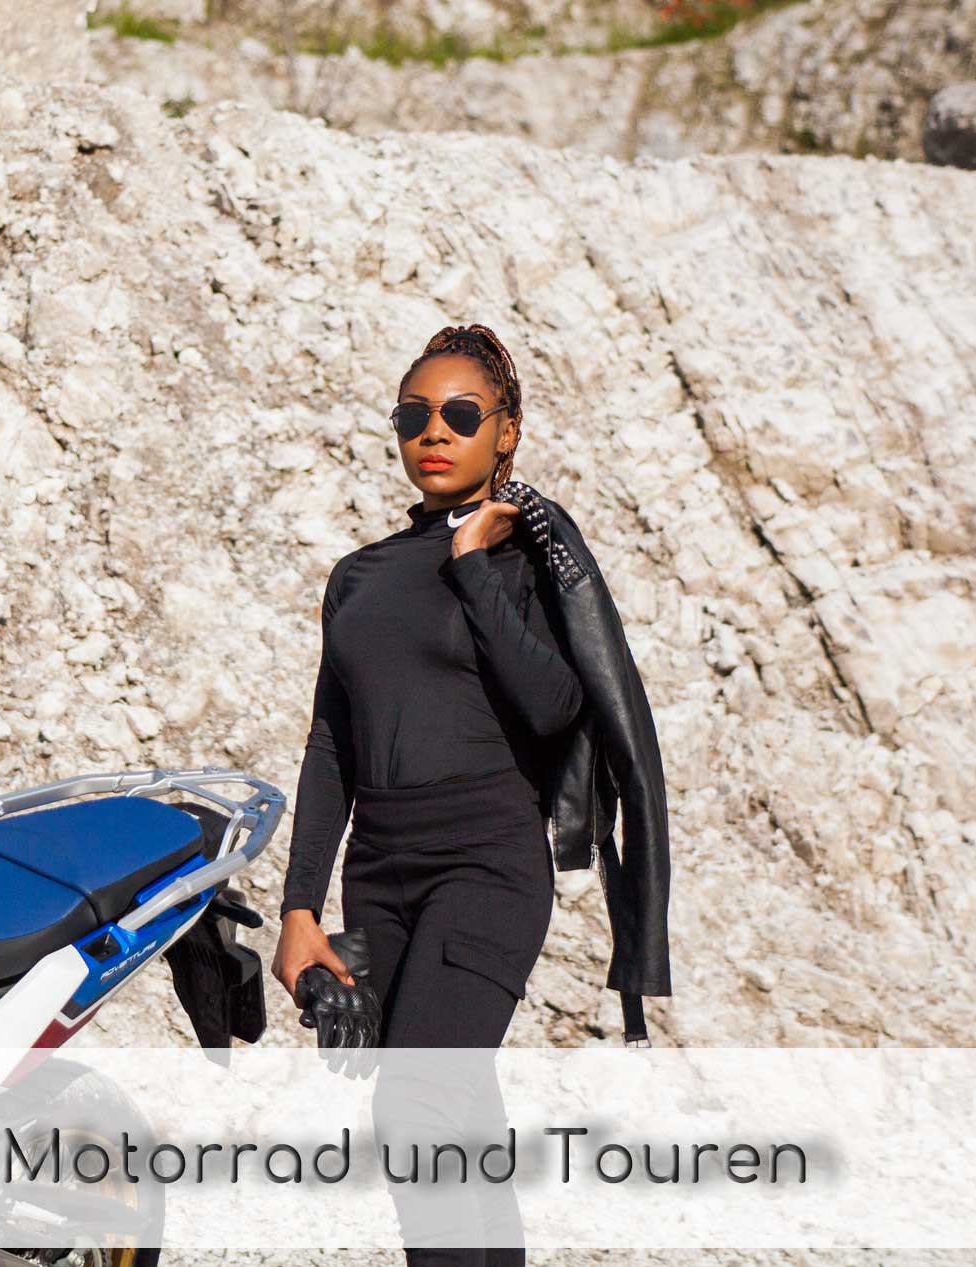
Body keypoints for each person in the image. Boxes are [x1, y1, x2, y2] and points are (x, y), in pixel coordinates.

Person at [271, 323, 668, 1264]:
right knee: (456, 1119)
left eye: (459, 413)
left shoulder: (529, 562)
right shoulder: (358, 577)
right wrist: (299, 907)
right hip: (380, 875)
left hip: (487, 865)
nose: (434, 432)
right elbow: (331, 744)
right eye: (413, 415)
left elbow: (554, 704)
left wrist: (472, 564)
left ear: (506, 431)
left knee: (416, 1106)